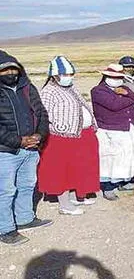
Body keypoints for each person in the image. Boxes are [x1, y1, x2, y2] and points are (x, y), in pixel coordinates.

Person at [0, 50, 52, 246]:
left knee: (27, 184)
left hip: (31, 148)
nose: (10, 73)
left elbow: (42, 113)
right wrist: (18, 141)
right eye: (5, 70)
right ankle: (5, 228)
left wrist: (39, 135)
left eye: (14, 68)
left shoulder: (27, 88)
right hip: (5, 151)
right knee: (5, 190)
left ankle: (24, 218)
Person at [38, 56, 99, 216]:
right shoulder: (48, 91)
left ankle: (74, 195)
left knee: (76, 167)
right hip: (60, 137)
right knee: (60, 170)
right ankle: (64, 204)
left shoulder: (71, 87)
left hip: (78, 134)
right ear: (54, 75)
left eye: (71, 74)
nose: (68, 77)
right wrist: (57, 127)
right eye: (65, 74)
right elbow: (43, 114)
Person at [91, 64, 134, 201]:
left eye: (120, 77)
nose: (117, 79)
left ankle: (124, 181)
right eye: (114, 77)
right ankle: (108, 187)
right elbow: (114, 105)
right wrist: (130, 99)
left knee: (127, 156)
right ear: (106, 77)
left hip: (129, 126)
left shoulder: (124, 88)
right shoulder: (97, 91)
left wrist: (128, 94)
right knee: (111, 158)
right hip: (111, 128)